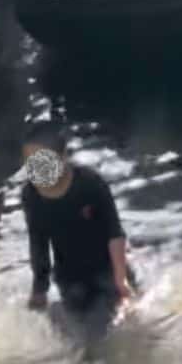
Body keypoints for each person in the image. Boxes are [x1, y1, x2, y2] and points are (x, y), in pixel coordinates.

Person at [20, 122, 136, 340]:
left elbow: (114, 233)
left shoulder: (90, 184)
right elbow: (38, 242)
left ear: (63, 157)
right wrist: (39, 289)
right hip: (69, 277)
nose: (38, 173)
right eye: (31, 165)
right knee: (76, 336)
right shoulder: (31, 195)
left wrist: (121, 279)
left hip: (106, 270)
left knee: (105, 332)